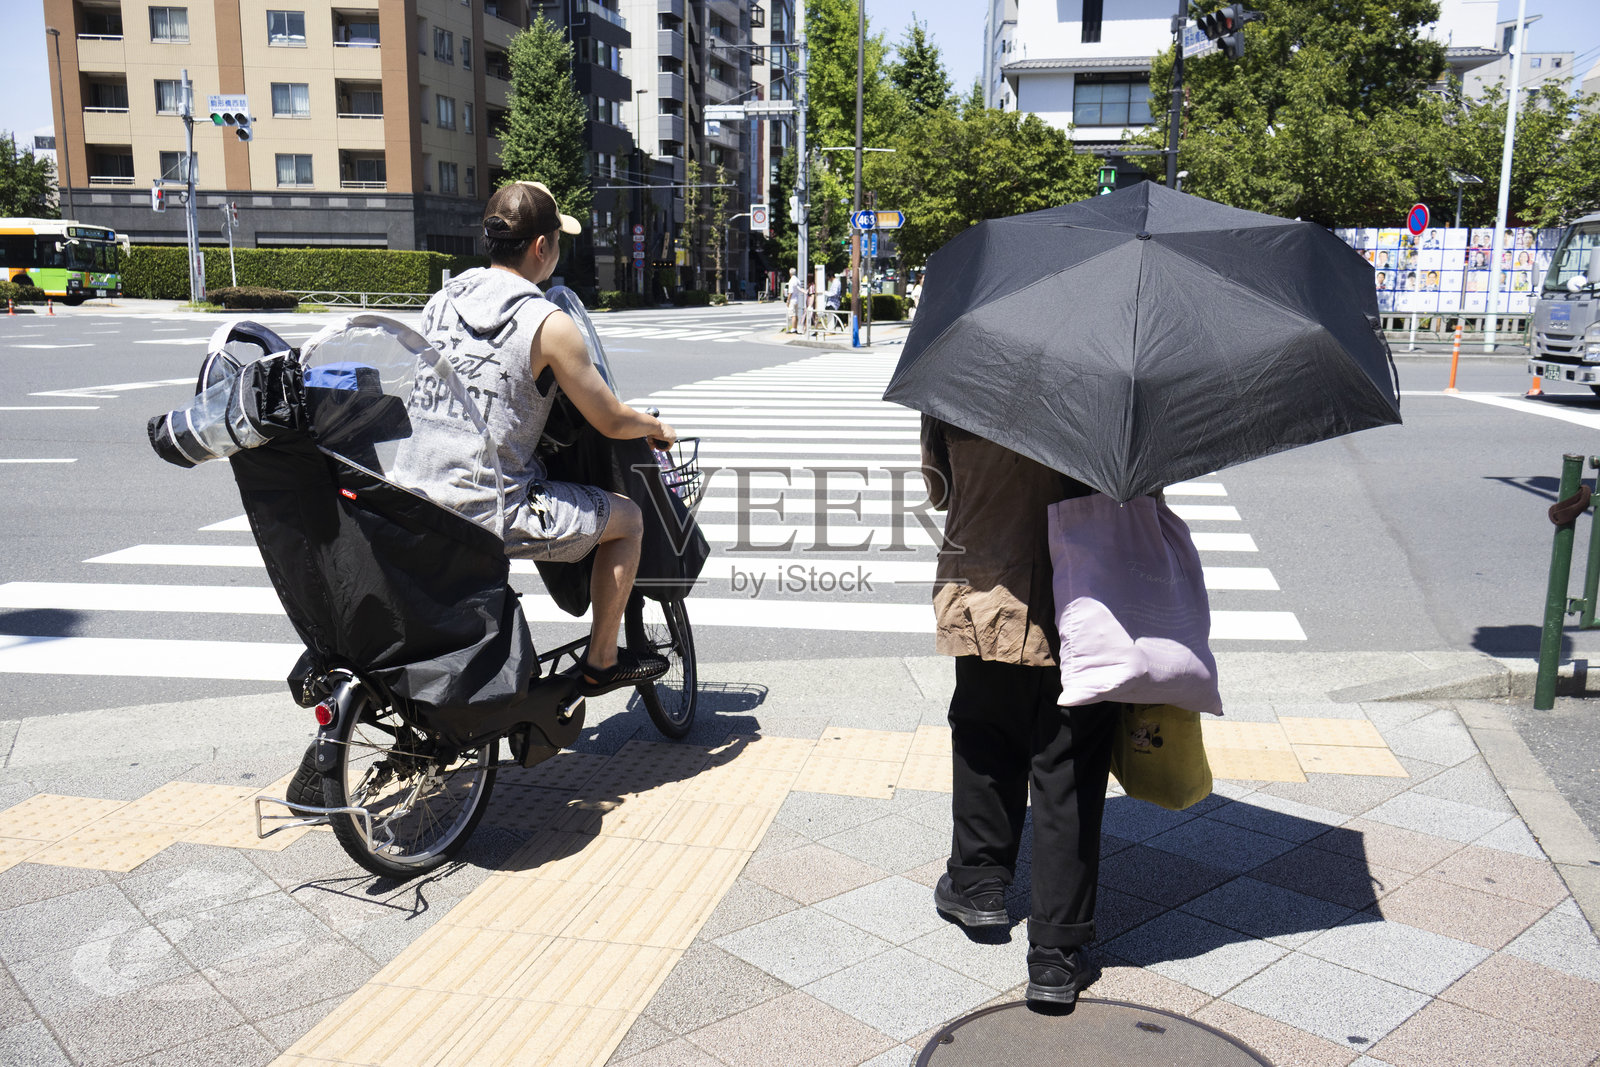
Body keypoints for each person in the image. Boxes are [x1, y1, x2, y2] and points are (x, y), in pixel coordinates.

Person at [405, 181, 676, 697]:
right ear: (540, 247)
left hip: (411, 495)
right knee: (629, 521)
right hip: (490, 508)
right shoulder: (547, 323)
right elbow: (611, 420)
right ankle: (601, 661)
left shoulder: (441, 301)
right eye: (558, 238)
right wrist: (655, 426)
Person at [921, 417, 1124, 1006]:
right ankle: (1056, 955)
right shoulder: (1109, 375)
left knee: (985, 736)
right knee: (1068, 768)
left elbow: (939, 489)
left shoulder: (965, 369)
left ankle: (979, 886)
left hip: (987, 589)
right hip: (1083, 603)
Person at [784, 268, 802, 332]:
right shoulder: (797, 280)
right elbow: (800, 288)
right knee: (796, 314)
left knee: (793, 315)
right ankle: (795, 328)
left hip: (792, 300)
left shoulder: (791, 280)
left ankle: (793, 329)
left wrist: (788, 301)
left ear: (790, 273)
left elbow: (790, 292)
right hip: (797, 299)